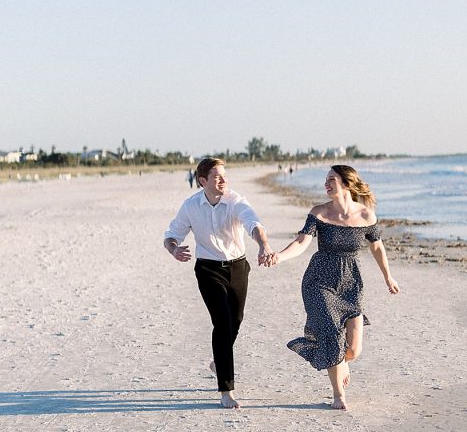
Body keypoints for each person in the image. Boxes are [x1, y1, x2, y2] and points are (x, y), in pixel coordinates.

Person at [271, 164, 399, 411]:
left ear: (347, 184)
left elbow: (377, 247)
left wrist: (388, 277)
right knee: (331, 336)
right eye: (326, 180)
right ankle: (338, 395)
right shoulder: (319, 213)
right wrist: (280, 256)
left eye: (332, 180)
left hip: (351, 283)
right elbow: (301, 242)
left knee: (353, 349)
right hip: (319, 281)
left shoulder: (366, 216)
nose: (326, 184)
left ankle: (341, 360)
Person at [163, 157, 274, 409]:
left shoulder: (236, 201)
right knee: (222, 323)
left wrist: (264, 245)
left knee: (236, 320)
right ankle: (226, 390)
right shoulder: (191, 206)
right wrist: (173, 250)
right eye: (216, 176)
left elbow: (253, 224)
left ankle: (218, 362)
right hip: (208, 269)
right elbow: (171, 235)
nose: (223, 180)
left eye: (224, 175)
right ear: (203, 181)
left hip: (237, 267)